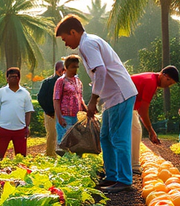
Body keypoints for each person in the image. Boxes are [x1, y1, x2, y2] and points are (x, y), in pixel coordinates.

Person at [55, 15, 137, 193]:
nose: (66, 44)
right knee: (105, 137)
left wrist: (93, 99)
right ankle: (112, 176)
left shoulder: (87, 44)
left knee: (118, 138)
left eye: (65, 39)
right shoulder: (89, 43)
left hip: (119, 94)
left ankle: (124, 180)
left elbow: (101, 70)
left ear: (73, 32)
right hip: (112, 97)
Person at [130, 66, 180, 172]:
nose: (167, 85)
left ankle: (130, 164)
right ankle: (132, 165)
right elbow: (143, 110)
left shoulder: (151, 79)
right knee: (135, 131)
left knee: (134, 131)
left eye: (170, 84)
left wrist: (150, 131)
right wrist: (151, 131)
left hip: (128, 104)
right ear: (163, 74)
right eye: (168, 81)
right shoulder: (151, 81)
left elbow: (140, 109)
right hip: (120, 101)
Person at [0, 67, 34, 159]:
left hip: (20, 129)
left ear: (19, 78)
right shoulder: (1, 92)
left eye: (15, 76)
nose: (13, 78)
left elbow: (28, 111)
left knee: (21, 157)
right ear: (7, 79)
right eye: (10, 77)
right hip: (3, 128)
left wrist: (27, 126)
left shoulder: (25, 93)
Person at [53, 55, 86, 147]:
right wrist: (59, 117)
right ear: (66, 68)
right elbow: (56, 100)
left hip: (77, 117)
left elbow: (80, 98)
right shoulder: (61, 81)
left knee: (76, 144)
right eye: (72, 67)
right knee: (64, 143)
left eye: (76, 67)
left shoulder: (78, 81)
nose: (75, 69)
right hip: (65, 117)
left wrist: (87, 111)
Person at [37, 60, 66, 156]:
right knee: (52, 135)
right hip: (51, 114)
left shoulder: (68, 82)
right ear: (58, 70)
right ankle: (50, 156)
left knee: (65, 136)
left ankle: (63, 156)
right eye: (63, 69)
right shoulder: (48, 82)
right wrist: (49, 111)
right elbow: (41, 97)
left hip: (65, 114)